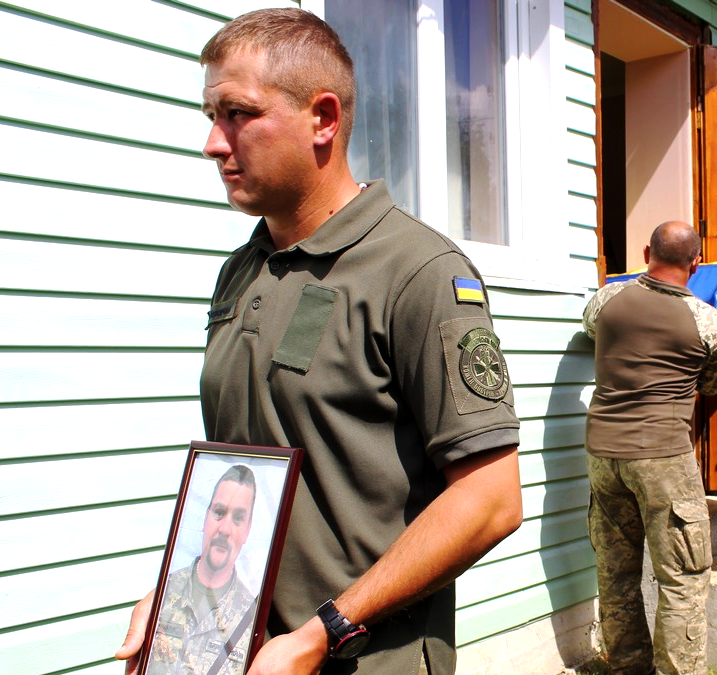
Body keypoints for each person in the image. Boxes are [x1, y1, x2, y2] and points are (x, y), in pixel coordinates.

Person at [116, 9, 523, 675]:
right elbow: (243, 474)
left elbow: (491, 498)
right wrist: (177, 597)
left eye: (237, 114)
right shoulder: (241, 272)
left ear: (323, 119)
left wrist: (323, 630)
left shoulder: (418, 272)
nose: (214, 143)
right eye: (210, 115)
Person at [582, 221, 717, 675]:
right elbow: (715, 381)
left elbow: (591, 329)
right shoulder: (706, 319)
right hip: (664, 457)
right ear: (696, 263)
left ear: (647, 252)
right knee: (683, 577)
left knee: (616, 573)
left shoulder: (607, 299)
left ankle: (627, 667)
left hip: (603, 453)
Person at [147, 465, 259, 675]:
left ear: (247, 530)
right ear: (205, 517)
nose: (225, 529)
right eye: (219, 512)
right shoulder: (165, 592)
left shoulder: (252, 618)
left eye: (237, 518)